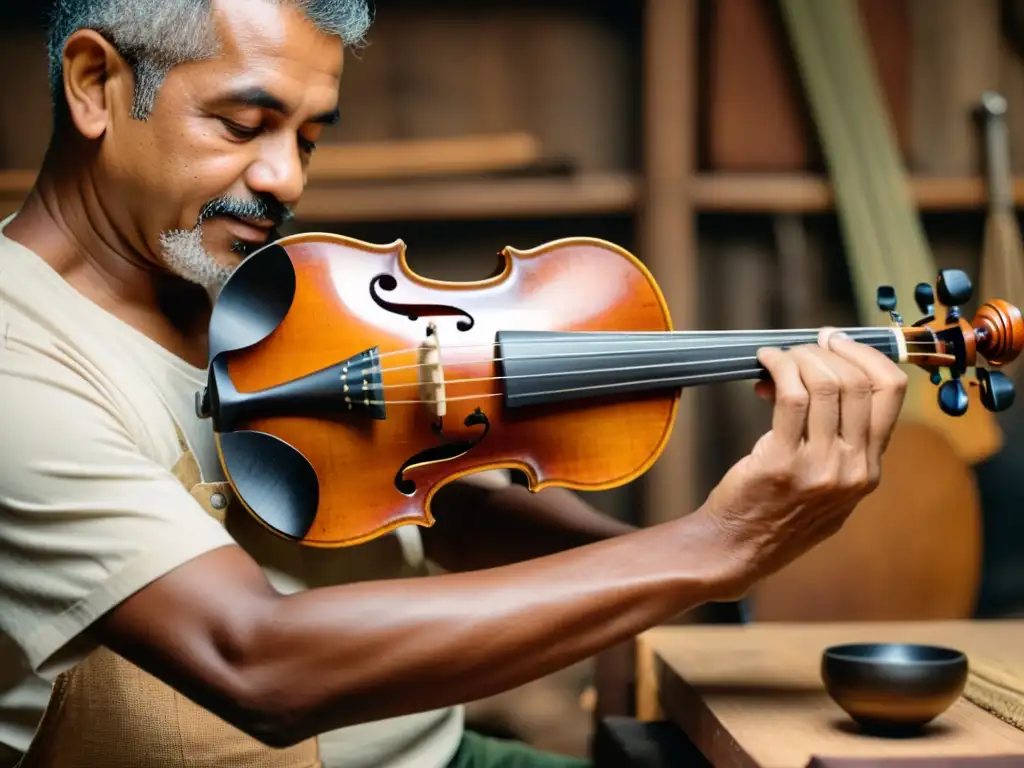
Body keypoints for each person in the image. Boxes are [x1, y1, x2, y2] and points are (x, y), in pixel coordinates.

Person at [0, 0, 909, 766]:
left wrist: (692, 564)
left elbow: (439, 514)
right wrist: (716, 548)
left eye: (309, 138)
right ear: (95, 85)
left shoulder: (226, 285)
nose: (284, 179)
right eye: (243, 125)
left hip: (437, 749)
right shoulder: (18, 358)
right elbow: (255, 663)